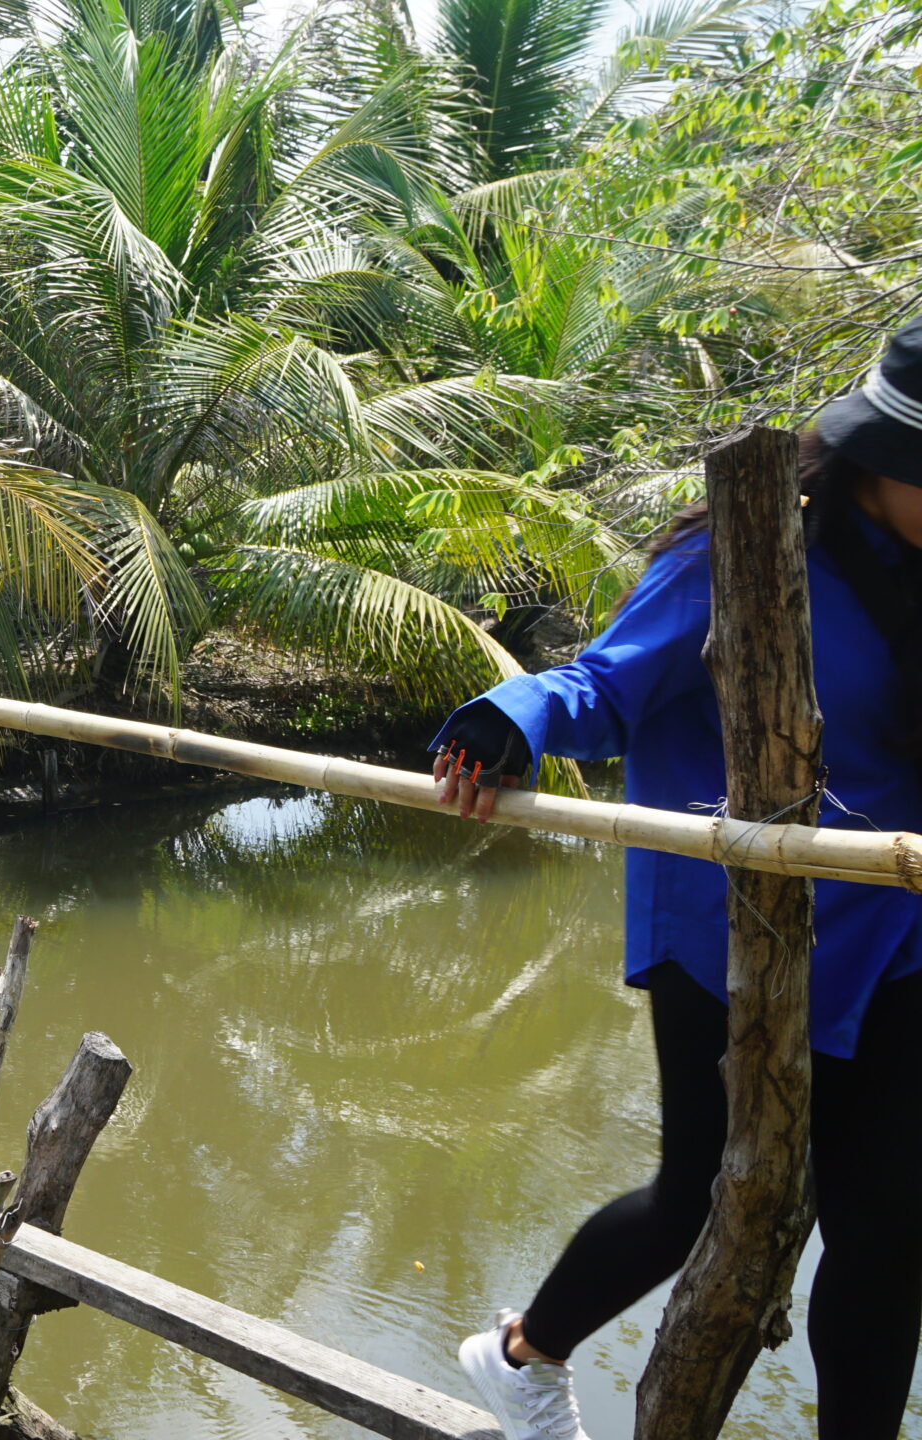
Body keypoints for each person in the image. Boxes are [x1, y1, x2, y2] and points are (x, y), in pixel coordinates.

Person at [433, 319, 922, 1440]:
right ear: (877, 458)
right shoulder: (745, 553)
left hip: (892, 926)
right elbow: (599, 686)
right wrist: (502, 727)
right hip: (733, 918)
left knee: (889, 1226)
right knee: (704, 1190)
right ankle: (519, 1356)